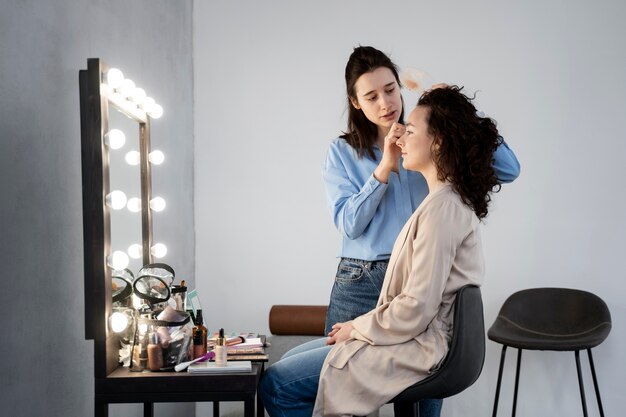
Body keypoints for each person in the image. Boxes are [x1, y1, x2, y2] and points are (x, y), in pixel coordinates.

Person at [260, 85, 504, 416]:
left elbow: (416, 307)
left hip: (420, 346)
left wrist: (357, 327)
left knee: (277, 384)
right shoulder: (439, 203)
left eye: (411, 130)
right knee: (289, 361)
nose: (400, 137)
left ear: (439, 142)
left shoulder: (442, 210)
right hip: (411, 335)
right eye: (370, 96)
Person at [317, 46, 519, 416]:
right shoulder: (343, 153)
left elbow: (509, 170)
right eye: (371, 96)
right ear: (355, 102)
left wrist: (462, 112)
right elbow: (349, 225)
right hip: (360, 282)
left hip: (420, 283)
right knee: (346, 396)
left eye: (391, 89)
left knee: (424, 402)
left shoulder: (428, 139)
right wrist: (384, 169)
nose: (385, 103)